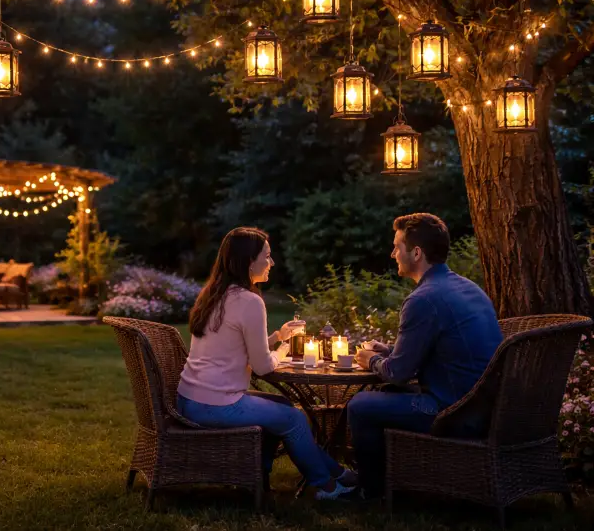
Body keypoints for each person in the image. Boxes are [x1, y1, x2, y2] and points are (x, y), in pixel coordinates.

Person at [177, 226, 358, 499]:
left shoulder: (215, 294)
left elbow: (233, 345)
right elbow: (263, 367)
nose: (271, 263)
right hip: (215, 405)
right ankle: (326, 486)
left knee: (284, 406)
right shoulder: (249, 301)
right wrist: (285, 347)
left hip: (191, 398)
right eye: (268, 256)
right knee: (294, 418)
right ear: (250, 261)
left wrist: (276, 336)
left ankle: (332, 472)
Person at [349, 213, 503, 498]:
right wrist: (390, 352)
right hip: (486, 405)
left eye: (397, 246)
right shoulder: (467, 288)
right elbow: (442, 351)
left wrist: (370, 360)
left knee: (360, 405)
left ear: (416, 253)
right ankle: (398, 478)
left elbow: (399, 372)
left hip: (456, 412)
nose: (393, 253)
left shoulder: (423, 299)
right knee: (387, 391)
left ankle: (370, 491)